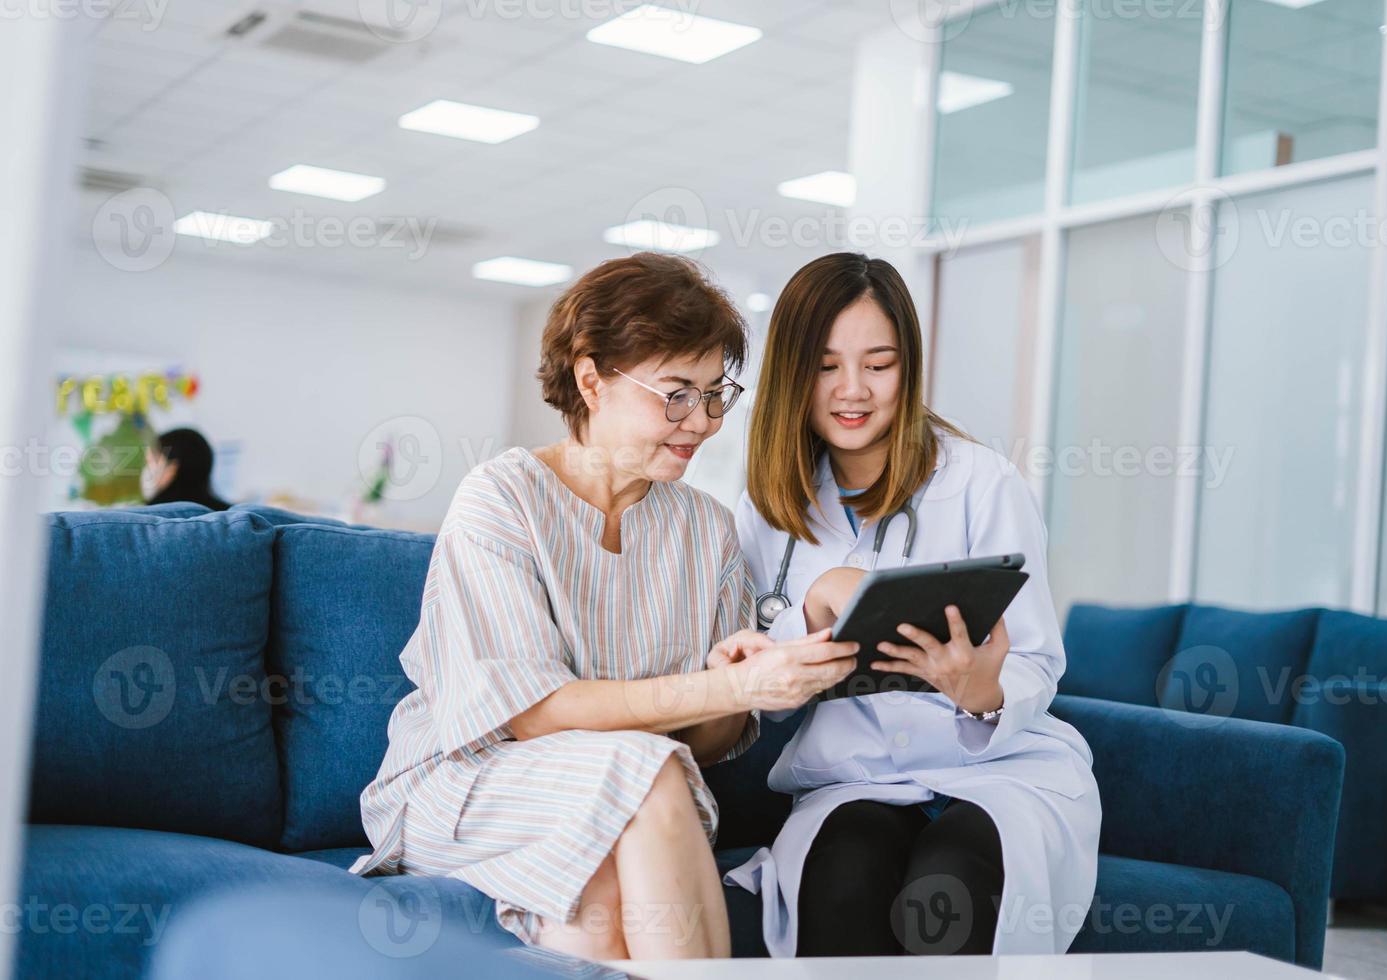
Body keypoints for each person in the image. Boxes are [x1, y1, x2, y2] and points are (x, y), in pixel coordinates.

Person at [350, 253, 858, 960]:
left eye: (716, 394)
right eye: (677, 392)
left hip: (623, 794)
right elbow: (531, 714)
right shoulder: (502, 497)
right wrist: (725, 685)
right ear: (592, 380)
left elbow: (705, 747)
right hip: (473, 780)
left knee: (596, 909)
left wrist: (726, 689)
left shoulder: (705, 529)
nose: (703, 421)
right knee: (644, 772)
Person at [725, 252, 1101, 956]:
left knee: (950, 881)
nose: (853, 390)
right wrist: (807, 613)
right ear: (791, 375)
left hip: (999, 771)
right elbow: (764, 702)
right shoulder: (767, 508)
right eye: (827, 364)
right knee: (844, 871)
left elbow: (1039, 658)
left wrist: (985, 690)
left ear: (909, 367)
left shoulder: (982, 483)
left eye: (879, 363)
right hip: (855, 775)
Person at [142, 427, 229, 511]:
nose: (147, 469)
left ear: (172, 469)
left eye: (150, 462)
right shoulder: (231, 515)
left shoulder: (143, 520)